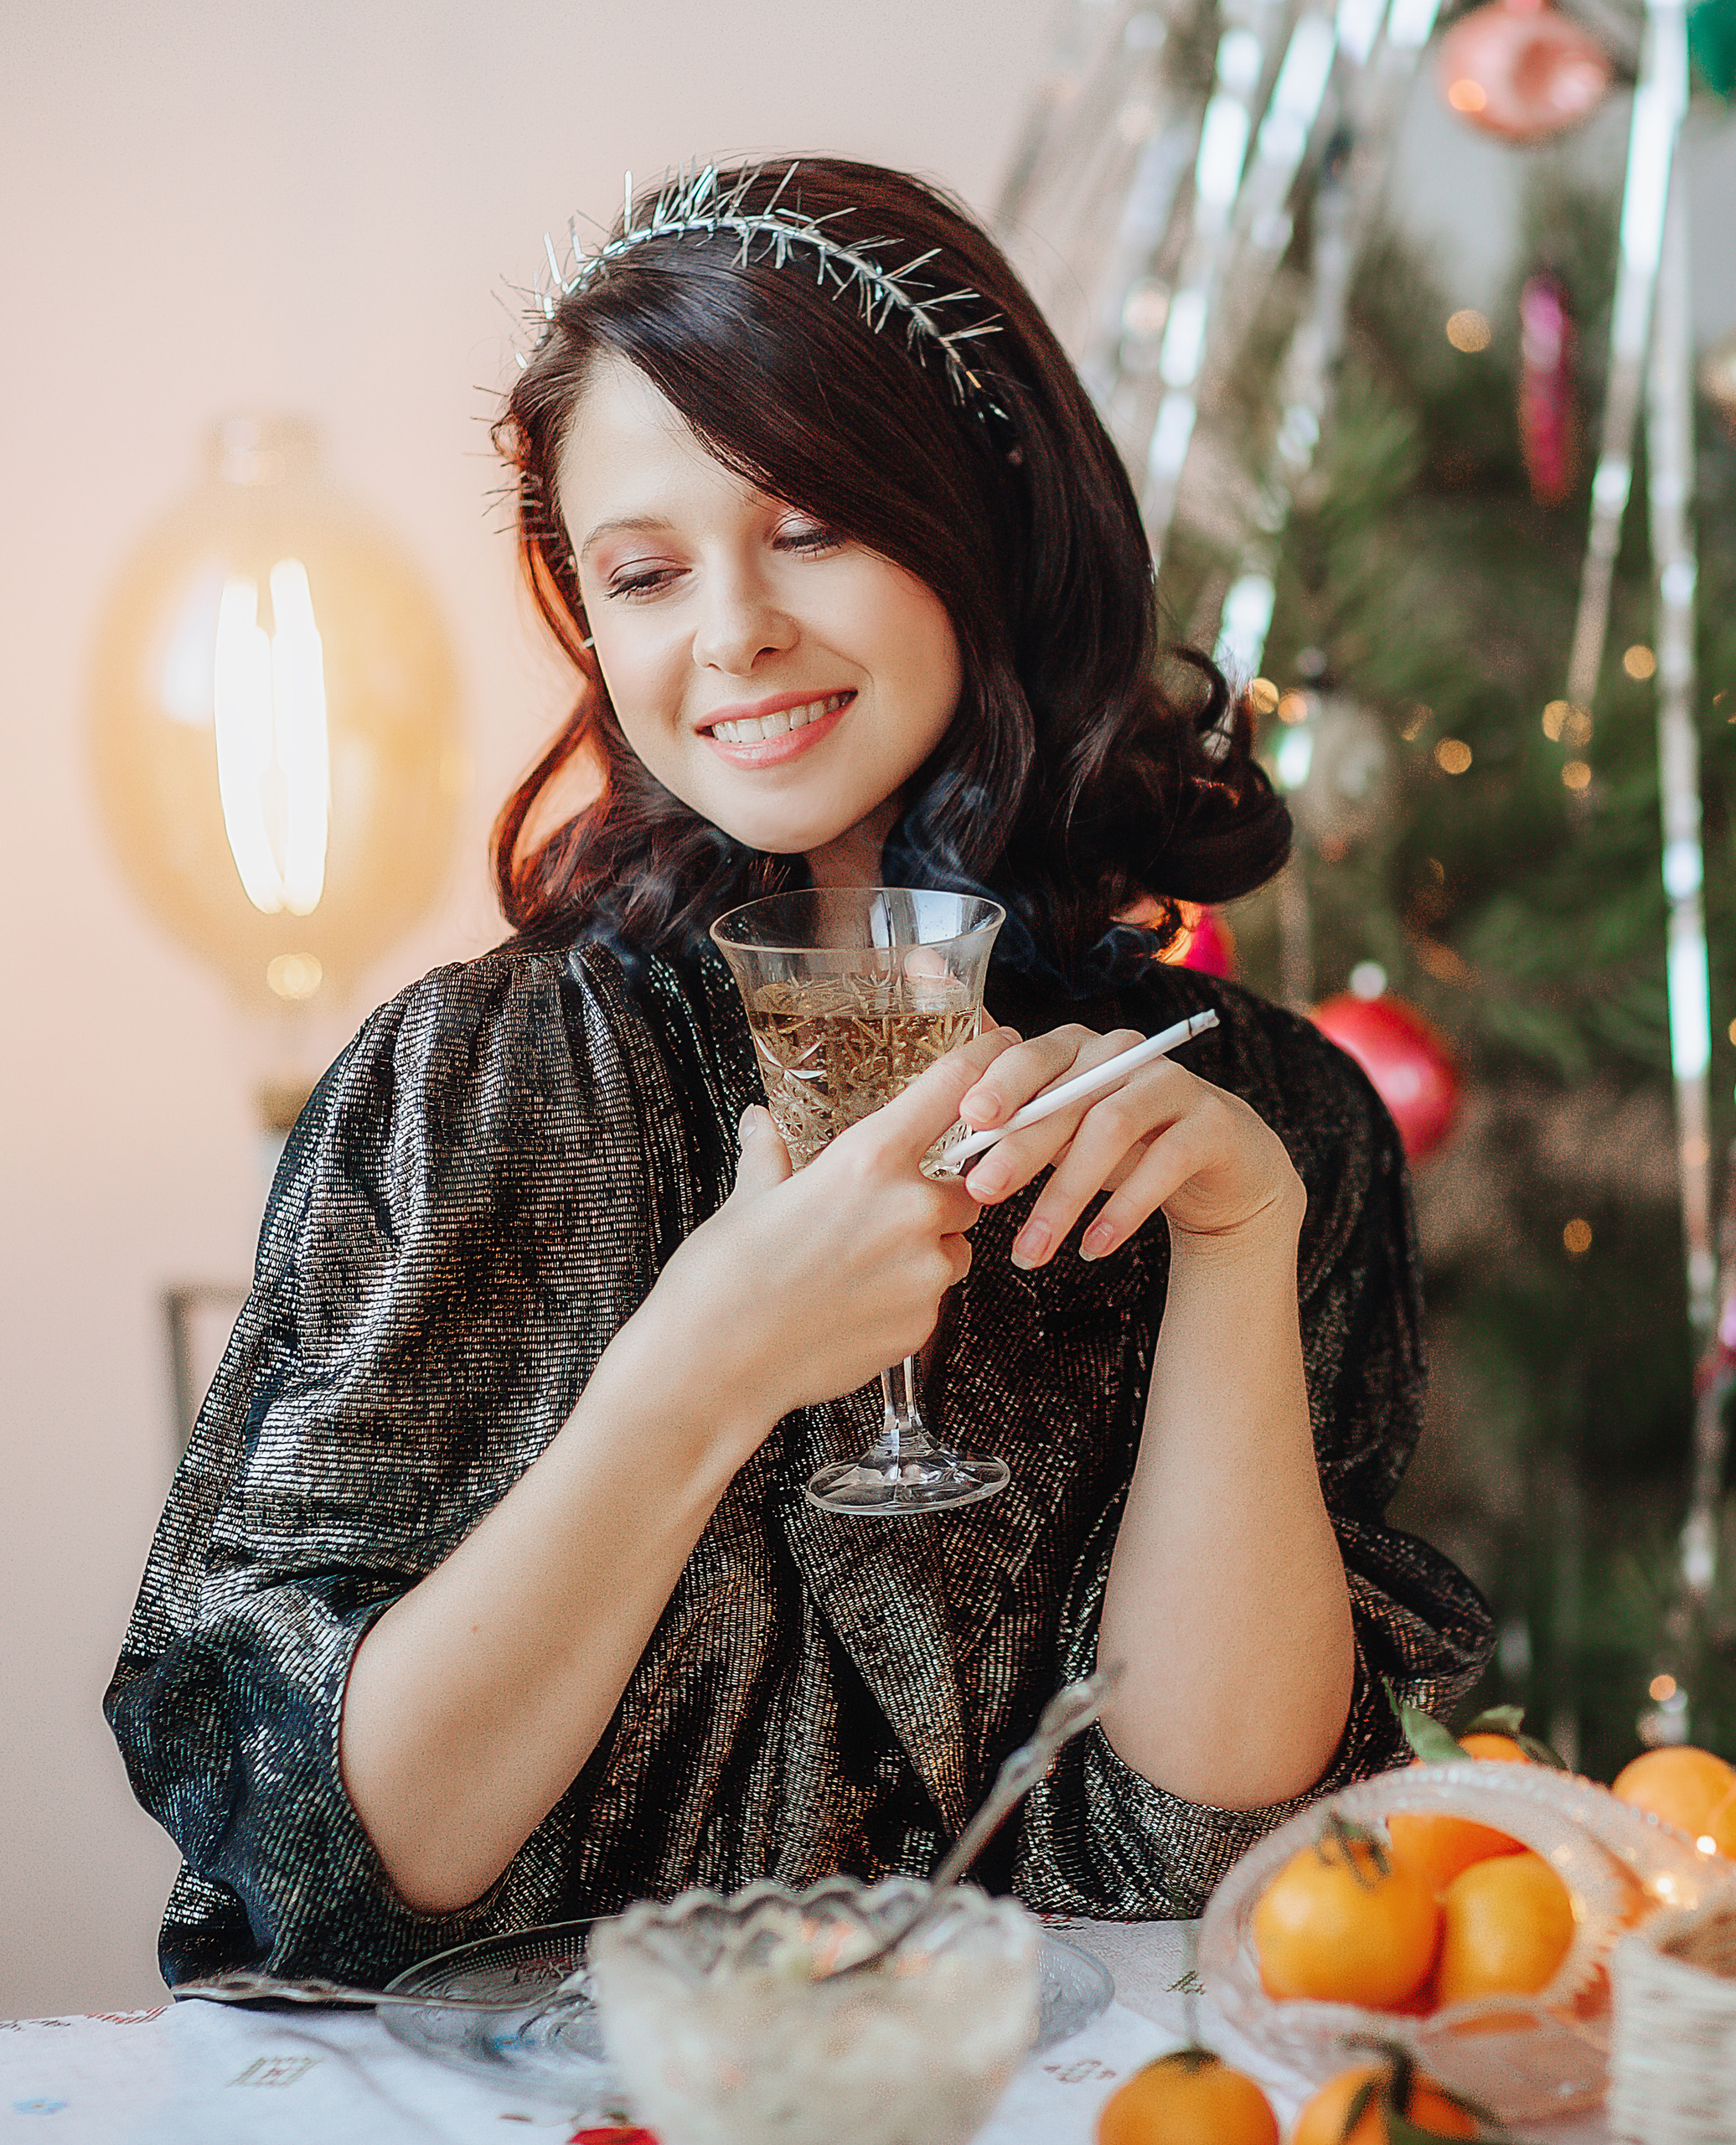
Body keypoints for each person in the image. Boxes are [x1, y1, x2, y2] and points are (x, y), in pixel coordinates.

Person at [107, 157, 1491, 1988]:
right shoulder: (485, 1090)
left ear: (984, 518)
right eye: (647, 569)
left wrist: (1235, 1254)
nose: (731, 627)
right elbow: (336, 1865)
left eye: (813, 523)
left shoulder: (1255, 1115)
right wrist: (702, 1365)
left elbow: (1205, 1848)